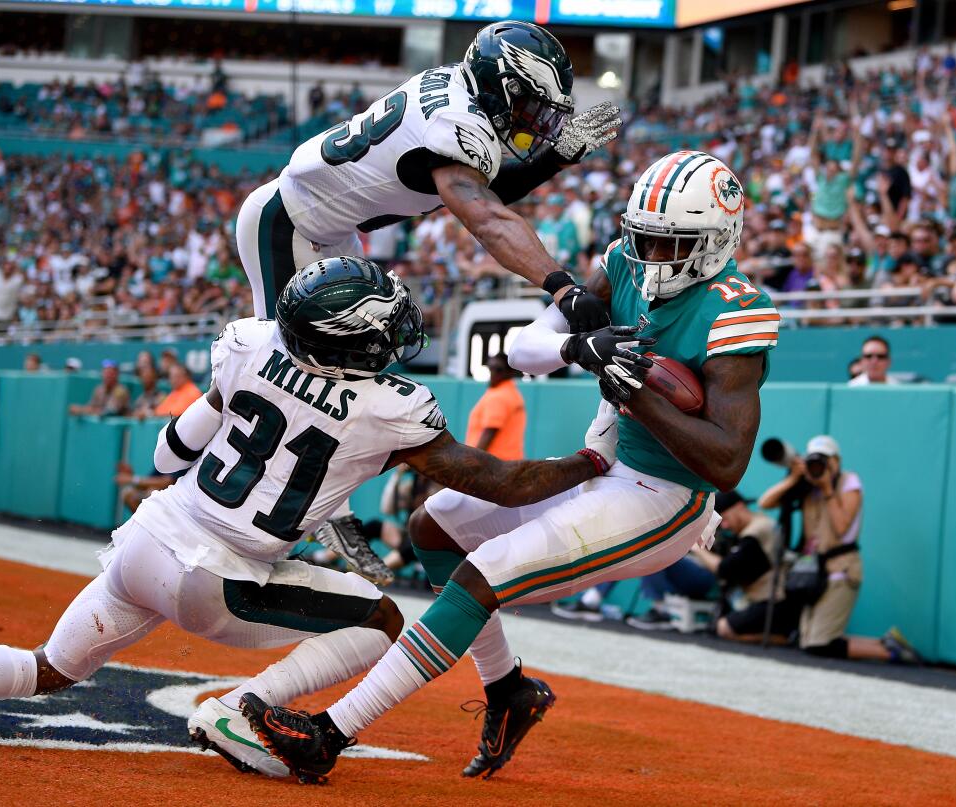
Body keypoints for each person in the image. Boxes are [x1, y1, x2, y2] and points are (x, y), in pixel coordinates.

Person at [0, 256, 621, 782]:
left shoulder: (248, 344)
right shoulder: (393, 410)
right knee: (384, 622)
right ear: (350, 342)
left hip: (148, 537)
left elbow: (169, 448)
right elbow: (502, 481)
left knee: (48, 667)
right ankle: (243, 707)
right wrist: (590, 464)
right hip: (219, 577)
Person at [240, 152, 779, 784]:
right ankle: (507, 690)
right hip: (606, 463)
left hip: (669, 497)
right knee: (433, 525)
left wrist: (634, 392)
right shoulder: (625, 263)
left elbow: (726, 463)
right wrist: (578, 345)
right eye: (647, 238)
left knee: (485, 570)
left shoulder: (738, 310)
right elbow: (523, 347)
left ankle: (331, 733)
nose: (653, 256)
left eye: (671, 244)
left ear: (716, 242)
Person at [233, 21, 621, 578]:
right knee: (287, 376)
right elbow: (485, 216)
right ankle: (245, 496)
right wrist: (561, 284)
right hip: (288, 223)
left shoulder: (457, 93)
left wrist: (553, 158)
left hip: (329, 230)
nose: (535, 121)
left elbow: (477, 189)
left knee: (350, 379)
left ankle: (323, 508)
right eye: (531, 105)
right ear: (501, 85)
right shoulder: (457, 123)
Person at [757, 436, 919, 662]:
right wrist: (794, 479)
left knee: (819, 645)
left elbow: (842, 528)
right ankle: (887, 642)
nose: (819, 466)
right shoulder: (806, 484)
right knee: (807, 641)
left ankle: (890, 652)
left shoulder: (849, 481)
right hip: (814, 572)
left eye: (825, 460)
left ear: (837, 461)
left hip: (841, 570)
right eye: (815, 460)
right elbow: (765, 503)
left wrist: (827, 489)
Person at [690, 490, 796, 644]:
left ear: (739, 506)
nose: (725, 526)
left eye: (725, 519)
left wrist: (696, 548)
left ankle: (783, 639)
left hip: (775, 603)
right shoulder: (758, 525)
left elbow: (726, 569)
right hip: (768, 600)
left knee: (724, 627)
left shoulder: (756, 532)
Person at [465, 353, 525, 460]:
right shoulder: (510, 392)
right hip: (508, 464)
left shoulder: (499, 396)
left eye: (498, 369)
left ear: (510, 372)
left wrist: (471, 462)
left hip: (493, 466)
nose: (493, 373)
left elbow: (488, 433)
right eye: (490, 368)